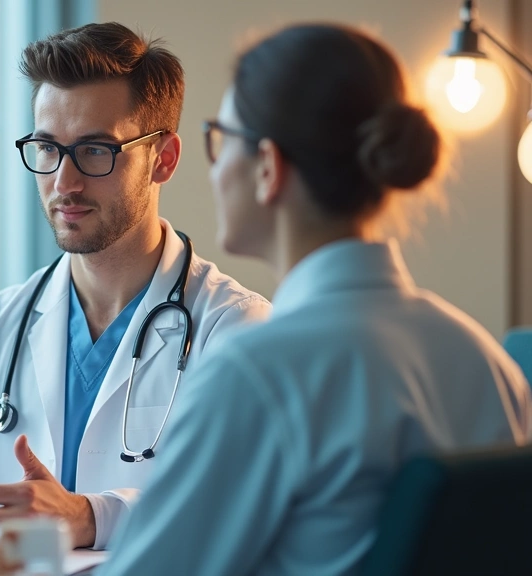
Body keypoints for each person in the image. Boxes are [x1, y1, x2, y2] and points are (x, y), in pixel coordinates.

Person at [95, 23, 532, 575]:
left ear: (267, 167)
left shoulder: (258, 374)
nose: (215, 169)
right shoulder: (486, 362)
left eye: (219, 140)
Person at [0, 22, 271, 550]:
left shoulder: (234, 328)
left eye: (96, 150)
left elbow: (240, 503)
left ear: (162, 158)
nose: (64, 182)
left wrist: (91, 518)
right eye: (47, 148)